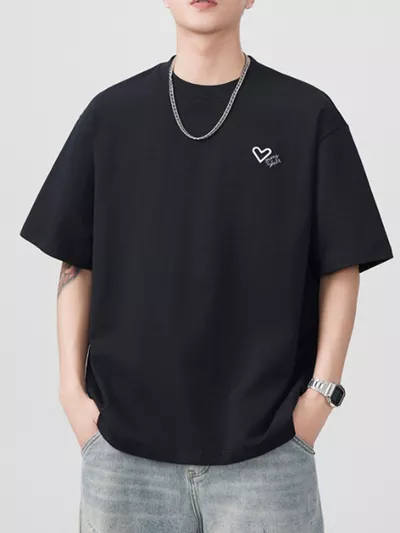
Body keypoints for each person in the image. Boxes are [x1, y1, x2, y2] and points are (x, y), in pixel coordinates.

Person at [19, 1, 394, 532]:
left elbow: (342, 263)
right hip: (123, 455)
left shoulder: (307, 116)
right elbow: (77, 260)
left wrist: (319, 398)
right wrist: (71, 396)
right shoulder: (112, 116)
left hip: (267, 455)